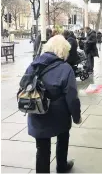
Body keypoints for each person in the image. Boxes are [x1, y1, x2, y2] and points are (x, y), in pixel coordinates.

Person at [25, 35, 82, 173]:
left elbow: (24, 85)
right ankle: (61, 166)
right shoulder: (65, 68)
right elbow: (72, 97)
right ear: (63, 51)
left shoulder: (34, 64)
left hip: (37, 111)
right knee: (63, 139)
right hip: (59, 114)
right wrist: (76, 116)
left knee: (42, 149)